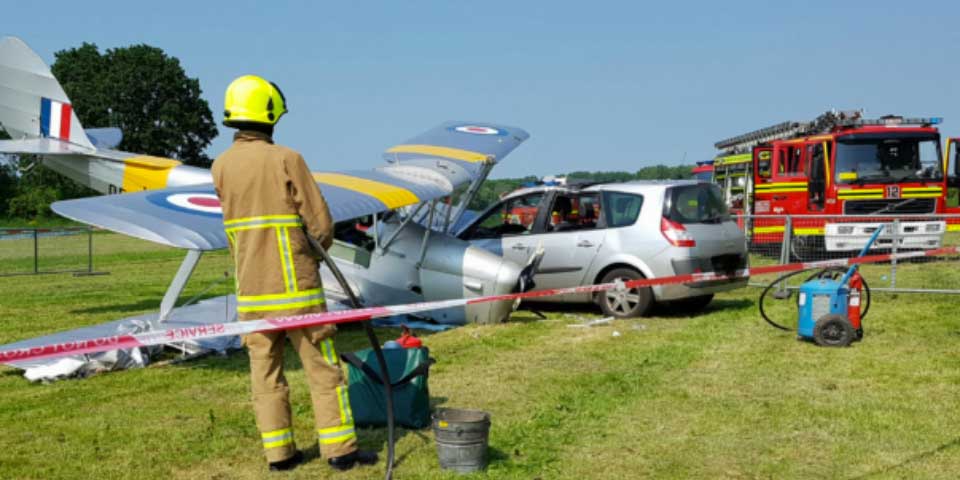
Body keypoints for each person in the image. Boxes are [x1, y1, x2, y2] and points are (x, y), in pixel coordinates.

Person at [211, 75, 377, 472]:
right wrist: (310, 257)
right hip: (296, 290)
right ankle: (340, 451)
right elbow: (320, 225)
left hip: (251, 293)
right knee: (323, 370)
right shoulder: (287, 159)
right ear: (270, 113)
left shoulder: (220, 166)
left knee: (265, 374)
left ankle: (279, 456)